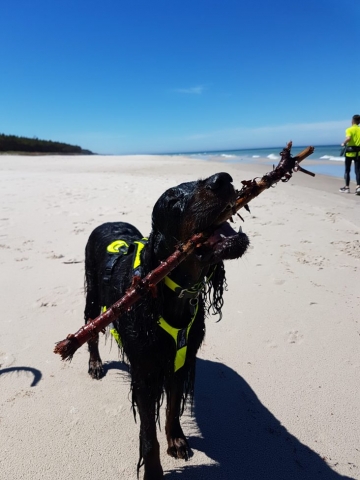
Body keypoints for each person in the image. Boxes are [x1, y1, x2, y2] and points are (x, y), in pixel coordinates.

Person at [339, 114, 360, 194]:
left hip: (350, 152)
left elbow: (348, 138)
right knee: (358, 170)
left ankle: (347, 187)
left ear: (352, 121)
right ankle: (358, 187)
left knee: (347, 170)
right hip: (359, 153)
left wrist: (343, 143)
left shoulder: (349, 129)